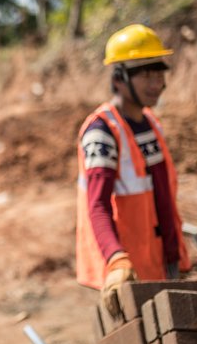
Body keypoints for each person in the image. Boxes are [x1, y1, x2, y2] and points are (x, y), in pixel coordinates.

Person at [75, 24, 191, 317]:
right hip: (130, 272)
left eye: (160, 74)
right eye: (147, 75)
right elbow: (97, 206)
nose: (157, 83)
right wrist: (116, 260)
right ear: (119, 78)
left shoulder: (151, 123)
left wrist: (174, 256)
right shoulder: (102, 131)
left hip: (162, 261)